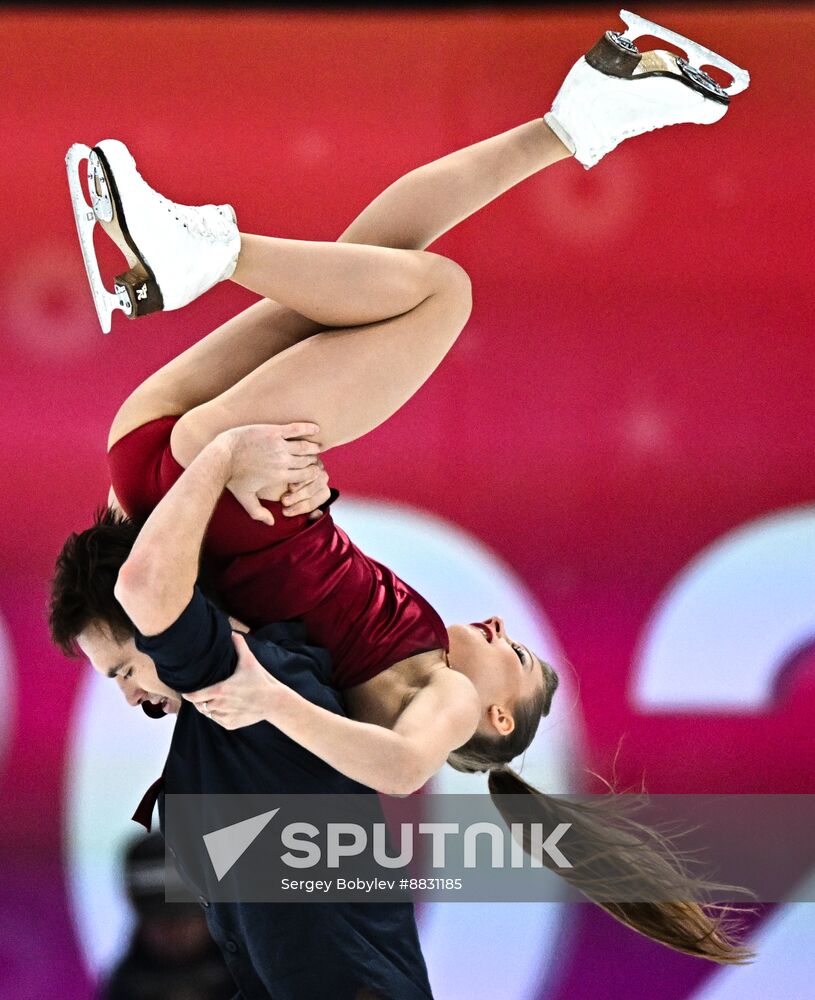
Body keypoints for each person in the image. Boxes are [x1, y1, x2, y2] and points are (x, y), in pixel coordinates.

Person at [55, 13, 753, 963]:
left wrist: (267, 700)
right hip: (158, 457)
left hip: (225, 474)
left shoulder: (447, 701)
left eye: (526, 666)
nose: (510, 638)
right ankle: (581, 120)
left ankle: (203, 252)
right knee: (375, 265)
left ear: (496, 715)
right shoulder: (415, 656)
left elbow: (400, 762)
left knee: (437, 292)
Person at [54, 426, 435, 1000]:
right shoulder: (223, 709)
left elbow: (145, 578)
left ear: (159, 629)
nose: (130, 696)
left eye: (126, 669)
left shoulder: (235, 673)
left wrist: (224, 454)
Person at [98, 831, 235, 1000]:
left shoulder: (254, 980)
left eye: (185, 915)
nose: (173, 930)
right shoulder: (124, 987)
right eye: (158, 917)